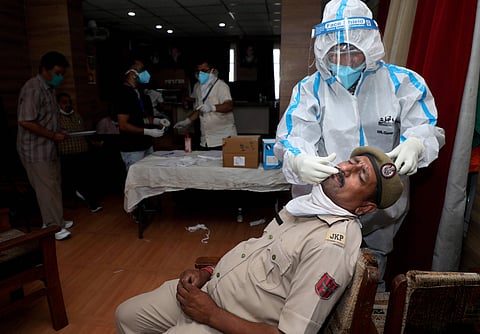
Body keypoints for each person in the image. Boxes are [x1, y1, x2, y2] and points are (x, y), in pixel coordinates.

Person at [115, 146, 403, 333]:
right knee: (125, 315)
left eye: (359, 175)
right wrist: (207, 272)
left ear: (364, 208)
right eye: (352, 162)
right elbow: (259, 256)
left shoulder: (330, 245)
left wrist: (210, 315)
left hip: (230, 322)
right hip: (211, 290)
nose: (345, 169)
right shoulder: (307, 206)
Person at [274, 0, 445, 290]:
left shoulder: (402, 82)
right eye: (337, 50)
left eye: (354, 49)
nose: (346, 59)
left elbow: (425, 127)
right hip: (326, 201)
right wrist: (298, 160)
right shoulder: (309, 89)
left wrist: (416, 144)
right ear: (323, 49)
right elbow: (293, 137)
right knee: (319, 267)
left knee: (373, 267)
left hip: (381, 204)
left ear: (370, 46)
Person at [16, 51, 73, 240]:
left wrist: (58, 133)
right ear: (44, 70)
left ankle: (56, 219)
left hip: (49, 147)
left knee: (54, 183)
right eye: (57, 72)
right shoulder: (33, 88)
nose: (60, 77)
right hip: (35, 149)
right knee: (45, 187)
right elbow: (26, 121)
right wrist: (52, 135)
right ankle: (52, 227)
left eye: (62, 74)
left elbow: (47, 118)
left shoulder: (49, 88)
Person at [174, 59, 237, 150]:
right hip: (206, 139)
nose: (200, 74)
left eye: (204, 71)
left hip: (223, 138)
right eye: (198, 71)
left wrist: (212, 107)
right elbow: (199, 109)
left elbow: (229, 105)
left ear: (212, 71)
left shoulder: (221, 86)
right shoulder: (198, 87)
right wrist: (187, 121)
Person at [115, 59, 166, 171]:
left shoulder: (138, 92)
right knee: (137, 182)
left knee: (149, 178)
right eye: (142, 70)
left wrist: (157, 121)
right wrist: (147, 131)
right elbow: (123, 125)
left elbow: (141, 117)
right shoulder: (123, 93)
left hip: (146, 145)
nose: (145, 73)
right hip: (133, 148)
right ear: (132, 73)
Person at [56, 92, 102, 213]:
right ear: (58, 104)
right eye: (64, 102)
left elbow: (83, 133)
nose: (68, 105)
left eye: (69, 102)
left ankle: (91, 198)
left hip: (83, 151)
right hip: (67, 154)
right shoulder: (56, 119)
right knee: (77, 177)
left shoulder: (77, 116)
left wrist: (92, 142)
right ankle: (88, 200)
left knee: (90, 175)